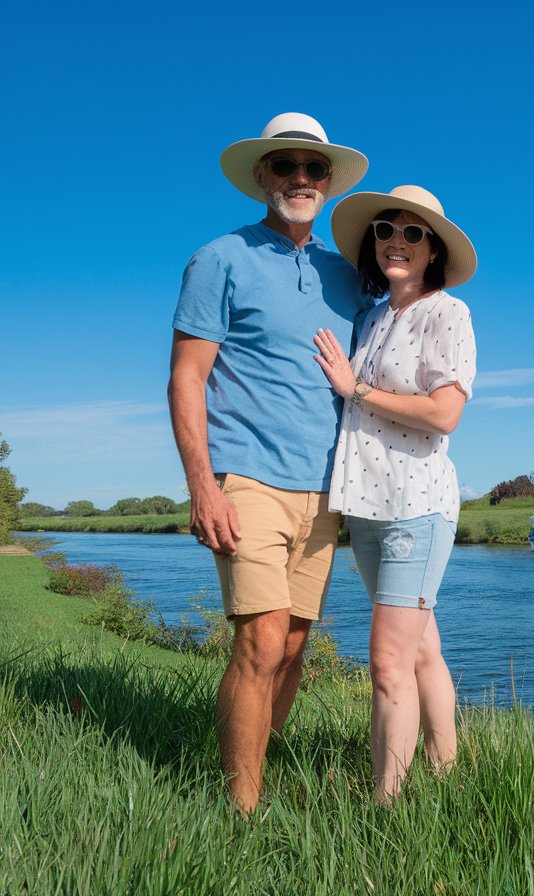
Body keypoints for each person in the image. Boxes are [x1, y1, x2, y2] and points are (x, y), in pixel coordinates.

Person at [168, 113, 369, 814]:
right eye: (287, 167)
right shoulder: (219, 258)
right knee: (259, 636)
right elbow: (187, 377)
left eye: (314, 170)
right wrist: (203, 487)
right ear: (262, 177)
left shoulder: (347, 276)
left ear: (329, 183)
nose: (302, 180)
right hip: (245, 476)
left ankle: (255, 767)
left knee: (291, 648)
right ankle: (240, 815)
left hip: (323, 491)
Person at [313, 185, 477, 801]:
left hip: (417, 507)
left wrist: (356, 390)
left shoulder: (448, 313)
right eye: (385, 230)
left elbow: (444, 414)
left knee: (387, 663)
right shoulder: (373, 317)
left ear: (432, 248)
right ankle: (446, 775)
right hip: (368, 508)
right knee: (422, 649)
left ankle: (386, 805)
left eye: (412, 232)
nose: (397, 242)